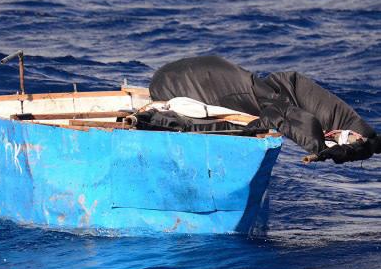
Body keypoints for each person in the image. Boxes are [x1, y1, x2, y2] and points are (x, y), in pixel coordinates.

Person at [147, 55, 381, 163]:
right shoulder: (262, 100)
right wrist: (319, 148)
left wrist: (320, 148)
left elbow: (292, 116)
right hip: (181, 80)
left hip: (201, 74)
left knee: (367, 139)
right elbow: (284, 116)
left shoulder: (285, 90)